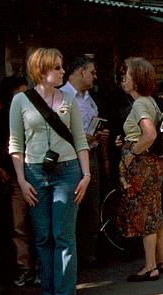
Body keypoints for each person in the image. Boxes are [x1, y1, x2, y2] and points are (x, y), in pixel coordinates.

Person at [9, 48, 90, 295]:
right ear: (41, 71)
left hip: (67, 172)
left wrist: (86, 174)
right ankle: (48, 292)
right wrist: (21, 180)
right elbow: (16, 144)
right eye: (57, 67)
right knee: (42, 236)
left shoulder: (68, 99)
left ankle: (64, 294)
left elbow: (80, 139)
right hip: (34, 173)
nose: (62, 71)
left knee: (63, 234)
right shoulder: (20, 101)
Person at [115, 57, 163, 282]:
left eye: (126, 75)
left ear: (137, 78)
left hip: (141, 164)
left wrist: (131, 153)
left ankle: (149, 266)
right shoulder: (149, 101)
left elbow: (149, 134)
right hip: (153, 163)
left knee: (145, 213)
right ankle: (161, 260)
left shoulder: (139, 104)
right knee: (155, 210)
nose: (122, 79)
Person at [61, 55, 109, 267]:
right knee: (72, 208)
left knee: (92, 206)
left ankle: (89, 254)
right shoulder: (61, 96)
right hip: (70, 158)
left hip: (92, 155)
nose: (94, 76)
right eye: (91, 72)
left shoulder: (89, 97)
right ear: (80, 72)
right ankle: (72, 258)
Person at [0, 76, 35, 286]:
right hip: (14, 177)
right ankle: (24, 268)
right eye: (21, 91)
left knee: (38, 225)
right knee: (19, 226)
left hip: (35, 174)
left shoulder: (34, 113)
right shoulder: (2, 117)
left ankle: (40, 268)